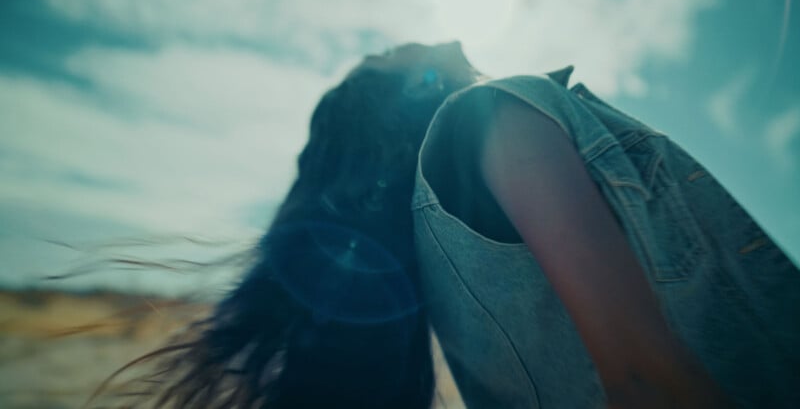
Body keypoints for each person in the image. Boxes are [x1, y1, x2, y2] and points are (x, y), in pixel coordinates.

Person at [97, 42, 800, 408]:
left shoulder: (435, 238)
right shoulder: (491, 116)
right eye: (395, 50)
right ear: (388, 102)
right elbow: (650, 380)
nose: (448, 35)